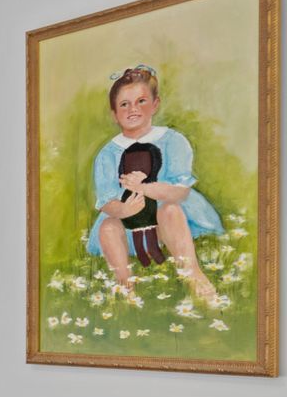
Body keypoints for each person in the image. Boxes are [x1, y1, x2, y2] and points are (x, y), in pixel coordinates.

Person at [87, 65, 220, 302]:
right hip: (130, 220)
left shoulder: (172, 140)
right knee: (108, 227)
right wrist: (124, 209)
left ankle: (193, 274)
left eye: (141, 101)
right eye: (124, 104)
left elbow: (179, 193)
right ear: (114, 114)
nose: (133, 109)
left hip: (170, 217)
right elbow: (106, 201)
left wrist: (145, 188)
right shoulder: (108, 154)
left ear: (155, 104)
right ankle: (125, 284)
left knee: (170, 210)